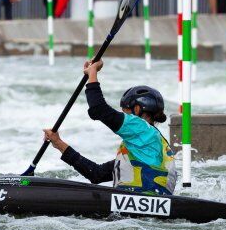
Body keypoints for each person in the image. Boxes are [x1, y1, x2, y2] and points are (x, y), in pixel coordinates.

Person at [42, 60, 177, 196]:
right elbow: (96, 174)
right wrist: (58, 143)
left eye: (125, 112)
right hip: (141, 211)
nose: (123, 116)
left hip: (142, 206)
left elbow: (98, 110)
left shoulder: (141, 128)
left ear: (137, 109)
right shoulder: (142, 150)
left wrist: (92, 73)